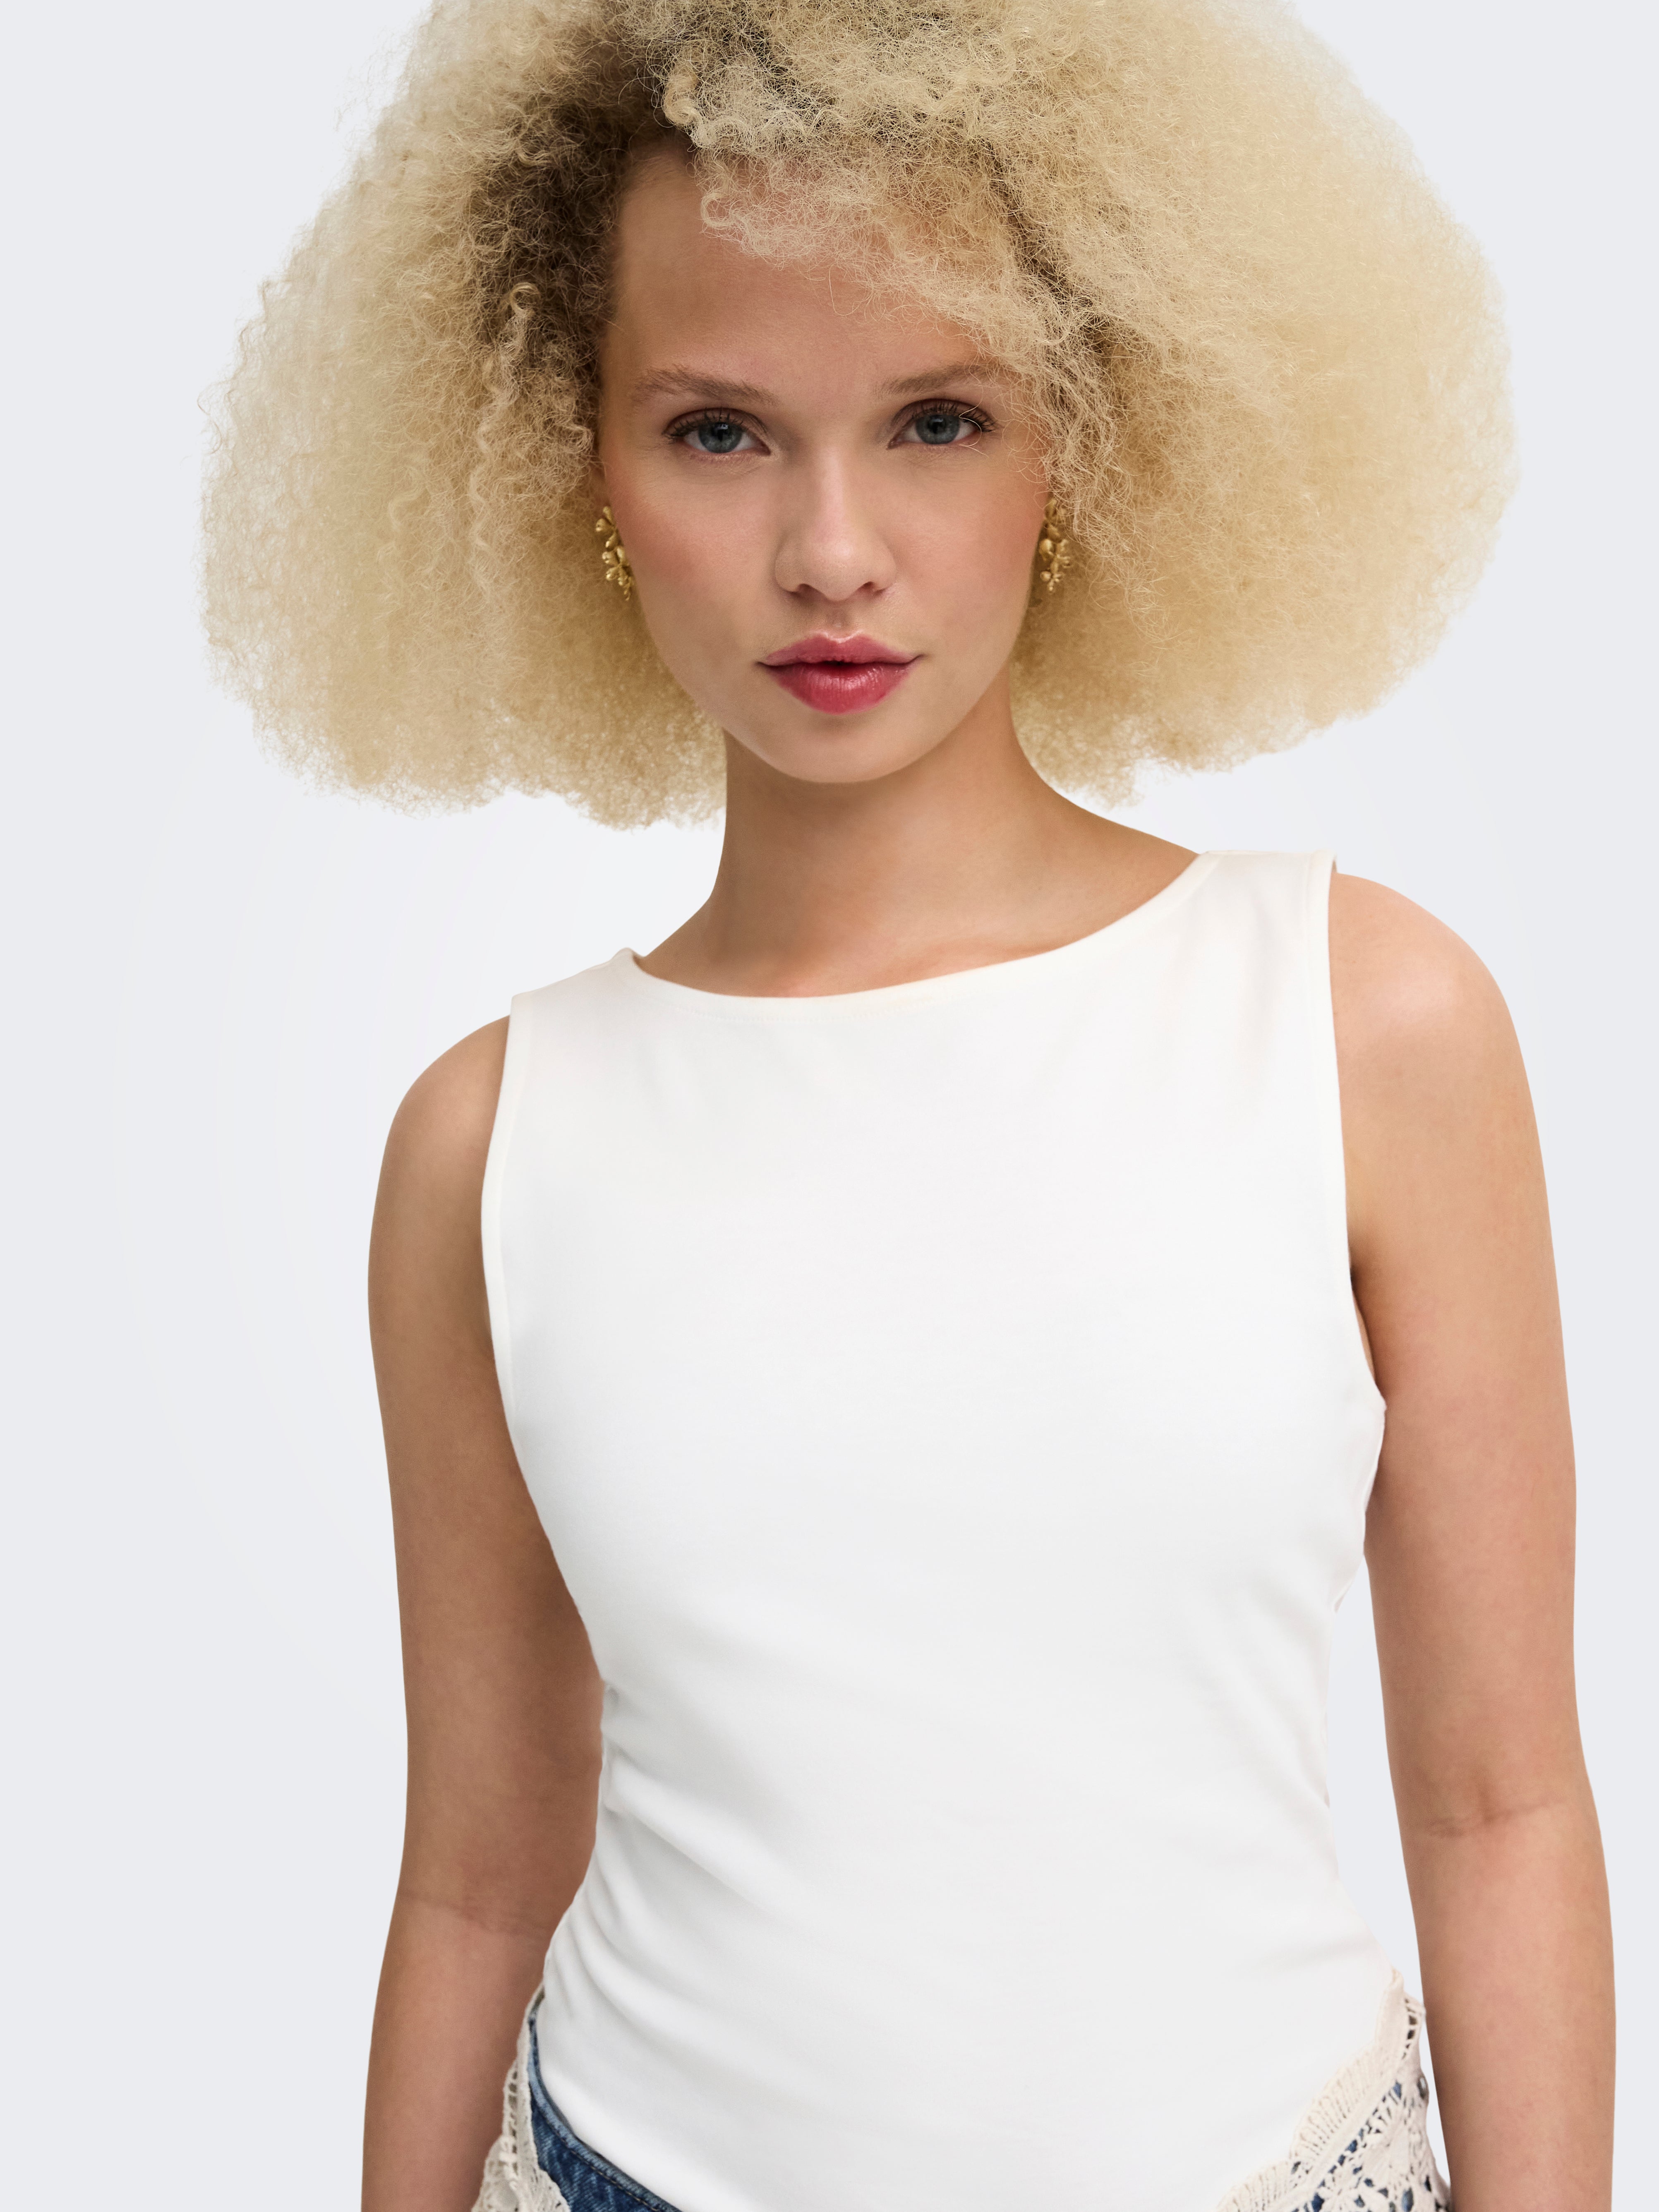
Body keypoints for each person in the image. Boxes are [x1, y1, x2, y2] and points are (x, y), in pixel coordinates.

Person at [201, 2, 1615, 2207]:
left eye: (938, 420)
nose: (834, 550)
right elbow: (476, 1876)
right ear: (576, 469)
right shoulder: (489, 1144)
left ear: (1087, 436)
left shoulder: (1363, 1023)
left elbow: (1502, 1802)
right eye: (720, 432)